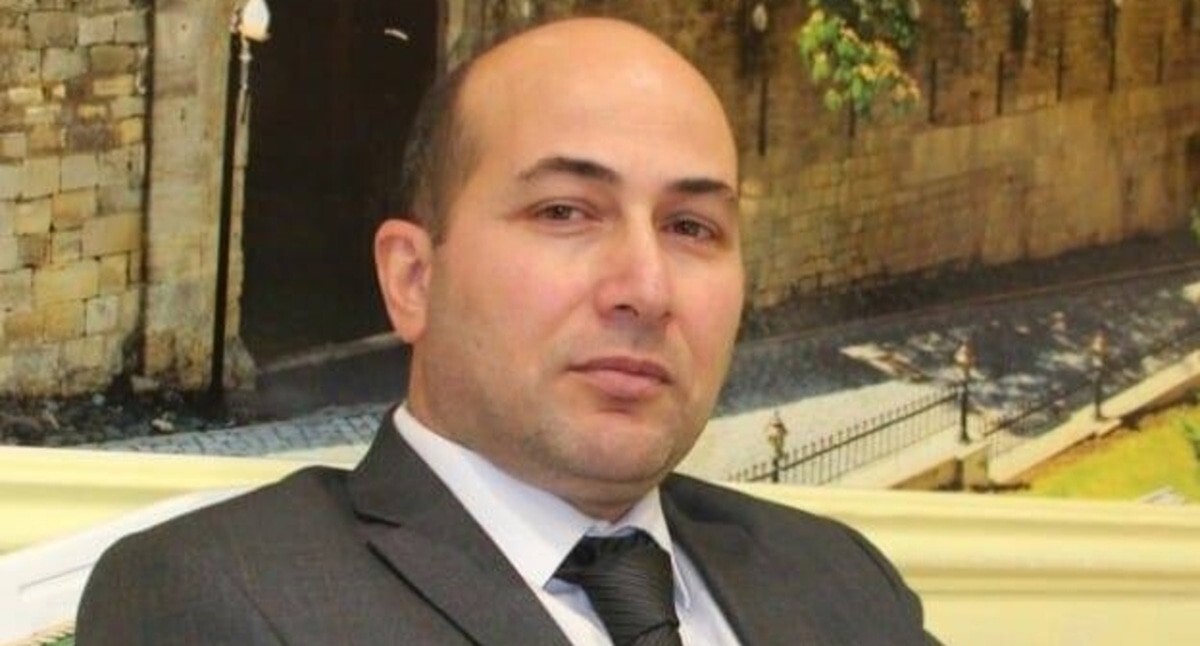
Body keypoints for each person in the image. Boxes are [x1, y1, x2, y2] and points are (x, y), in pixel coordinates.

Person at [76, 17, 933, 645]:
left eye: (691, 227)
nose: (646, 289)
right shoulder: (218, 598)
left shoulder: (842, 584)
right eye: (565, 212)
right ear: (413, 279)